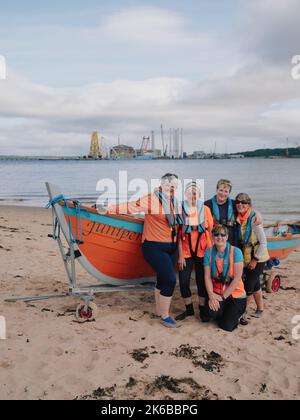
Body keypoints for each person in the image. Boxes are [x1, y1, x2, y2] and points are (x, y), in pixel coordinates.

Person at [107, 173, 182, 328]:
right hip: (154, 246)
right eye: (168, 184)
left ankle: (159, 311)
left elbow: (179, 224)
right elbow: (129, 207)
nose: (171, 187)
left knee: (162, 278)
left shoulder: (175, 201)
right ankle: (165, 316)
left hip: (172, 247)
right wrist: (105, 208)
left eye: (174, 184)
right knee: (170, 279)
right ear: (162, 184)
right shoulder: (151, 198)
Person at [176, 182, 214, 322]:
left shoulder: (205, 210)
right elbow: (179, 235)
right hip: (185, 252)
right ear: (185, 195)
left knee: (201, 281)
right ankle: (189, 309)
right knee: (184, 282)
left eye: (195, 193)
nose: (192, 196)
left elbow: (210, 233)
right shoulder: (180, 209)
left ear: (198, 195)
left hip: (203, 251)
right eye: (189, 193)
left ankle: (203, 309)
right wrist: (180, 256)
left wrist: (210, 254)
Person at [204, 225, 247, 332]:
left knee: (227, 326)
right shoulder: (208, 252)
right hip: (217, 293)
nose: (219, 237)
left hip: (235, 295)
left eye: (223, 234)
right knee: (209, 313)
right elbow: (207, 276)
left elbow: (237, 278)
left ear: (227, 237)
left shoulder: (236, 251)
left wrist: (223, 297)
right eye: (216, 234)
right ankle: (226, 312)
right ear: (212, 237)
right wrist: (211, 296)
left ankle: (239, 314)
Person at [235, 193, 269, 324]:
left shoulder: (255, 220)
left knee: (248, 286)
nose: (240, 205)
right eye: (238, 202)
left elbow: (264, 242)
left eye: (244, 203)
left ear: (249, 205)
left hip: (258, 257)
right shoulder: (237, 218)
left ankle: (242, 312)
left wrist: (255, 259)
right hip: (245, 257)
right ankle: (260, 308)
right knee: (255, 284)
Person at [205, 179, 263, 246]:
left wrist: (258, 214)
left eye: (226, 191)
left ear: (229, 193)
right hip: (215, 239)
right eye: (221, 190)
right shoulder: (207, 204)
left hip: (233, 240)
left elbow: (247, 209)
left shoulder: (234, 204)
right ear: (217, 190)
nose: (223, 194)